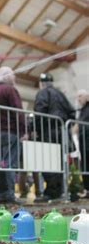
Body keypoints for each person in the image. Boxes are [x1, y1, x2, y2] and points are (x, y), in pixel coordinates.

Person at [34, 73, 75, 202]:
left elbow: (39, 112)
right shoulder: (61, 95)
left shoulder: (42, 93)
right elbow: (72, 113)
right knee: (59, 163)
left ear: (41, 83)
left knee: (48, 162)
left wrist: (35, 130)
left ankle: (51, 192)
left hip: (48, 133)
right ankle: (60, 190)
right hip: (62, 133)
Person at [0, 66, 25, 204]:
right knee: (10, 164)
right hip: (10, 132)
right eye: (12, 75)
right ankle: (8, 194)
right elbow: (18, 111)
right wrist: (24, 130)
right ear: (6, 76)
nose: (14, 77)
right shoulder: (10, 90)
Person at [75, 89, 89, 198]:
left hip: (87, 140)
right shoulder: (82, 110)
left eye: (80, 96)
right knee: (85, 165)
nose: (78, 98)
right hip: (83, 142)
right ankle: (87, 189)